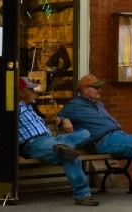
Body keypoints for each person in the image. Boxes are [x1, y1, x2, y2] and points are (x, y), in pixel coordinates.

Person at [17, 77, 97, 206]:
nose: (35, 93)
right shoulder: (13, 109)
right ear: (21, 92)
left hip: (51, 140)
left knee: (85, 133)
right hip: (34, 143)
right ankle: (83, 195)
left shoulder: (30, 107)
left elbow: (36, 122)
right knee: (70, 157)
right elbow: (6, 132)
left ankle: (64, 147)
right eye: (31, 90)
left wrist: (52, 120)